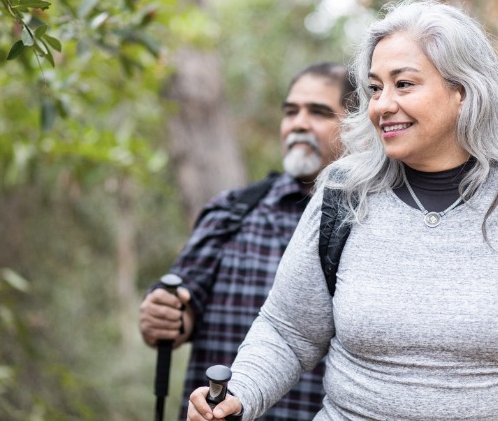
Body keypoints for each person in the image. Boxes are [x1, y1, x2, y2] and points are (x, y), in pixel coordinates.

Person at [187, 0, 498, 420]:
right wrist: (239, 394)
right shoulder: (343, 194)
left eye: (403, 84)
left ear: (463, 91)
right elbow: (289, 331)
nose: (382, 105)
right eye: (375, 88)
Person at [140, 62, 356, 420]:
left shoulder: (368, 224)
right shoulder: (232, 211)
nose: (298, 123)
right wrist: (163, 314)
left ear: (354, 125)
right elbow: (182, 308)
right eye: (291, 112)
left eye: (318, 112)